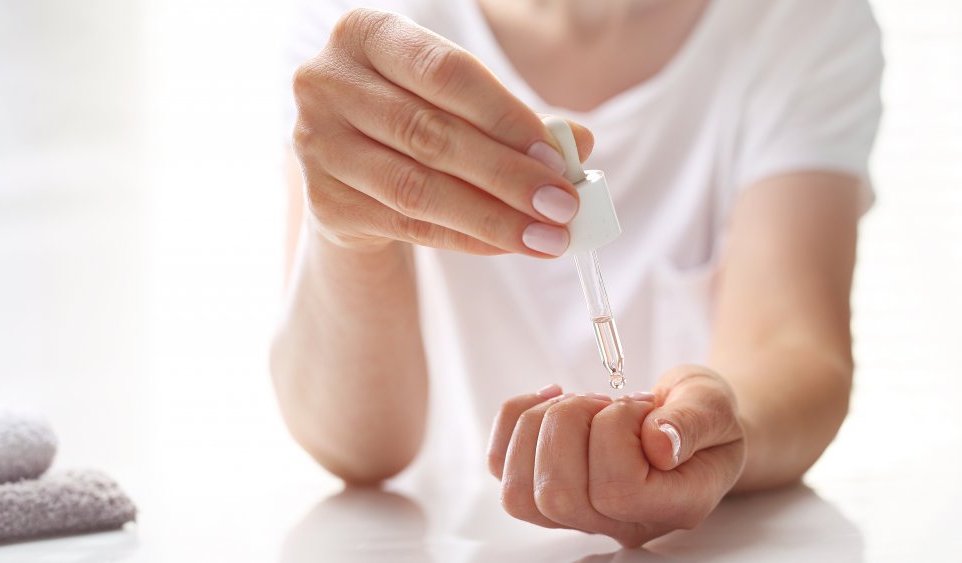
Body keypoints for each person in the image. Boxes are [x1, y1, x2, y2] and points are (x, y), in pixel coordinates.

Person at [270, 0, 883, 547]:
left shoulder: (799, 19)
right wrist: (344, 231)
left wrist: (711, 430)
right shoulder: (362, 31)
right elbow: (357, 448)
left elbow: (793, 345)